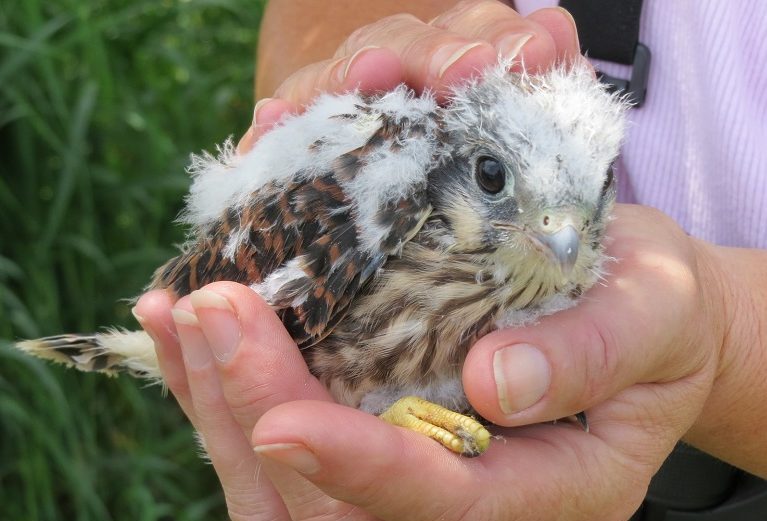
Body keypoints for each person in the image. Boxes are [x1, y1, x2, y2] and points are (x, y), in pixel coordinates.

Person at [132, 1, 767, 519]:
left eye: (587, 205)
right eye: (494, 180)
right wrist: (324, 132)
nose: (562, 237)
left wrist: (724, 341)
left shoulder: (579, 265)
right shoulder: (388, 204)